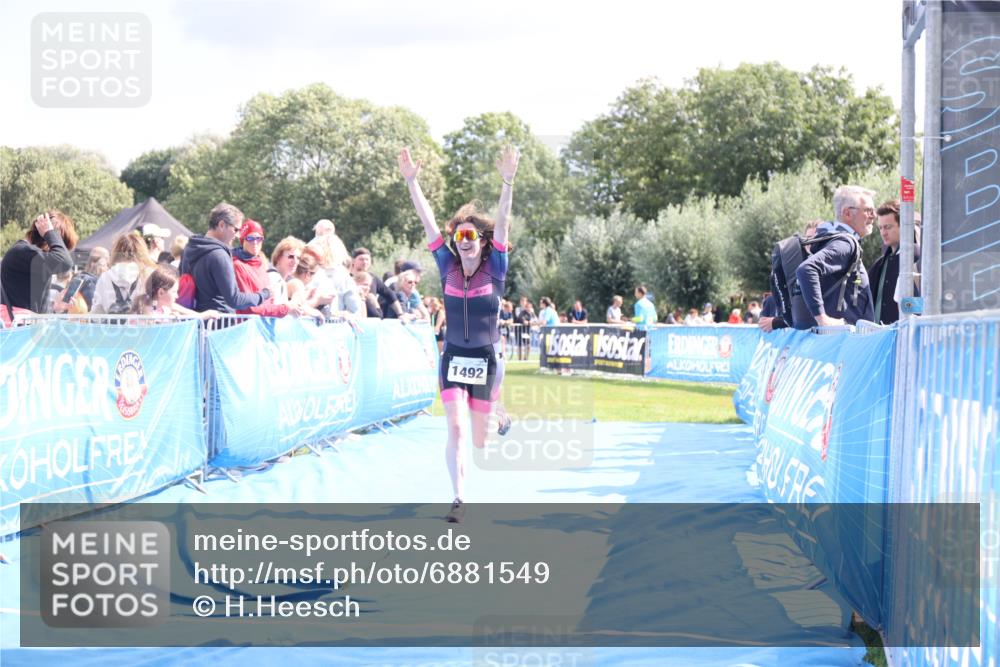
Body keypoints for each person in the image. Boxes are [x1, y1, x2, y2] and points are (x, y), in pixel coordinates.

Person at [399, 144, 519, 524]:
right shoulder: (447, 265)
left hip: (486, 359)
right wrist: (412, 183)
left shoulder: (495, 268)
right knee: (455, 427)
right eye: (460, 235)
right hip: (453, 356)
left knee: (481, 435)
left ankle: (500, 417)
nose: (465, 238)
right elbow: (428, 221)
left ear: (482, 242)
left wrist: (508, 182)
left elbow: (502, 221)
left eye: (472, 234)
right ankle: (458, 498)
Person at [796, 186, 875, 327]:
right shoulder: (846, 242)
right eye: (868, 210)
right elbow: (806, 269)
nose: (873, 216)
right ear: (847, 213)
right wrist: (822, 319)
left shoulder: (834, 240)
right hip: (844, 341)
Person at [179, 202, 271, 313]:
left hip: (195, 322)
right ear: (222, 225)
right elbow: (235, 299)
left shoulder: (189, 249)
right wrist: (264, 294)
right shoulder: (220, 255)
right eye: (236, 230)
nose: (238, 236)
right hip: (220, 324)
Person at [0, 210, 77, 315]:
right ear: (46, 239)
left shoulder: (31, 256)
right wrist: (49, 232)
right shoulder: (22, 253)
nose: (59, 250)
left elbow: (35, 308)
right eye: (57, 245)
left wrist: (55, 308)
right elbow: (65, 262)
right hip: (18, 329)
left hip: (25, 328)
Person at [759, 220, 820, 333]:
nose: (811, 242)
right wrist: (779, 320)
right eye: (808, 238)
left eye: (816, 238)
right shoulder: (793, 265)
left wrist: (777, 322)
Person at [232, 219, 302, 317]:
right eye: (251, 238)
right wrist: (285, 309)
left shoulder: (260, 264)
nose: (255, 242)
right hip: (247, 328)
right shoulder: (238, 265)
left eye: (259, 238)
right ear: (243, 240)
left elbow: (268, 304)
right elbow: (250, 308)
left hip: (262, 328)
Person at [869, 199, 919, 325]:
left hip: (906, 335)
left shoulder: (918, 256)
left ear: (904, 225)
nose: (883, 233)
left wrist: (908, 322)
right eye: (880, 228)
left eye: (888, 227)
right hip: (880, 336)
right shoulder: (879, 265)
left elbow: (924, 300)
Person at [91, 232, 157, 314]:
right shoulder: (149, 275)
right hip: (141, 325)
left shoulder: (105, 277)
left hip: (112, 326)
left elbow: (97, 311)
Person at [136, 265, 219, 320]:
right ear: (161, 293)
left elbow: (190, 313)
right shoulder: (146, 311)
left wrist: (204, 315)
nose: (177, 296)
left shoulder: (166, 307)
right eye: (174, 292)